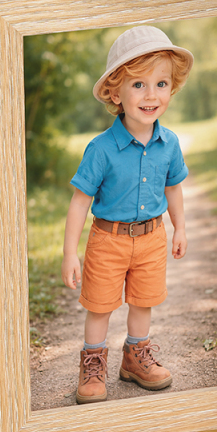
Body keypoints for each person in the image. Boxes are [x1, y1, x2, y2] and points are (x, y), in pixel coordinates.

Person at [61, 25, 193, 404]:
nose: (151, 95)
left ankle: (136, 357)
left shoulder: (169, 144)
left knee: (143, 301)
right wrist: (70, 253)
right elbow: (80, 202)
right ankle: (93, 364)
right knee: (100, 306)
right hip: (108, 241)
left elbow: (173, 187)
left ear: (171, 88)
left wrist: (180, 228)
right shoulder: (101, 149)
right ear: (115, 93)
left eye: (161, 84)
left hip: (152, 239)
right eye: (138, 85)